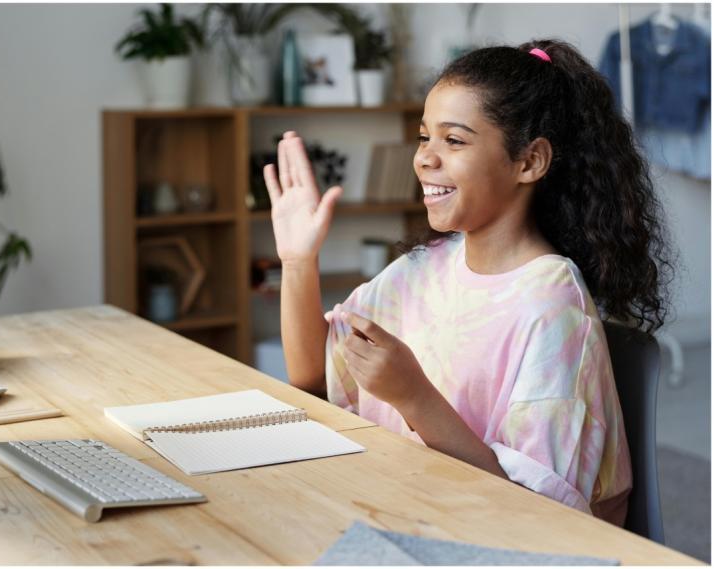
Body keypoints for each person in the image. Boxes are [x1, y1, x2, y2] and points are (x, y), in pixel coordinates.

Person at [262, 39, 673, 527]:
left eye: (453, 141)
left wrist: (414, 397)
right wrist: (298, 260)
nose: (425, 159)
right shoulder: (421, 269)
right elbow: (314, 381)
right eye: (423, 137)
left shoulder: (553, 310)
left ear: (529, 162)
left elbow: (536, 517)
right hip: (404, 512)